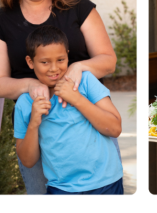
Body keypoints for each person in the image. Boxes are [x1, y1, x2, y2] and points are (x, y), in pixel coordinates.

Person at [0, 0, 119, 194]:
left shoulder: (77, 7)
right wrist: (32, 84)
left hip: (88, 122)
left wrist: (78, 68)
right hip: (40, 125)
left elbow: (108, 60)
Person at [15, 26, 123, 194]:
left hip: (105, 183)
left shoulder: (85, 81)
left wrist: (77, 98)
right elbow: (28, 161)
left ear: (67, 55)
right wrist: (34, 123)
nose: (54, 68)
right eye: (45, 62)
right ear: (30, 62)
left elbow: (115, 128)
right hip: (61, 189)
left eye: (60, 60)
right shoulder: (25, 103)